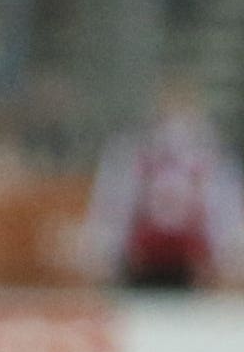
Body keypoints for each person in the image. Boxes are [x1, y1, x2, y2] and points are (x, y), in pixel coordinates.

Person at [84, 76, 244, 290]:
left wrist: (230, 257)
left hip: (194, 264)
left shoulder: (214, 155)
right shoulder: (131, 151)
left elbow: (226, 212)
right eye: (169, 107)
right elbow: (113, 206)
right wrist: (103, 250)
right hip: (141, 261)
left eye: (183, 106)